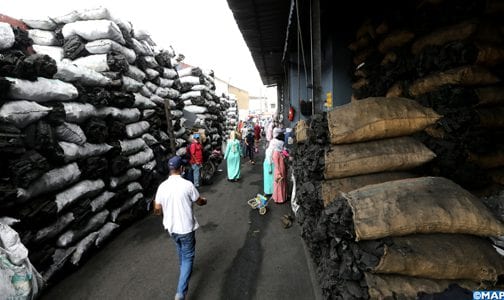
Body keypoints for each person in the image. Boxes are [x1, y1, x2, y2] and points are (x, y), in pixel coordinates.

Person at [154, 156, 207, 300]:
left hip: (171, 228)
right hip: (186, 228)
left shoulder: (162, 187)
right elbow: (199, 201)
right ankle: (180, 293)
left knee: (179, 248)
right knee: (188, 257)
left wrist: (164, 212)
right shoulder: (187, 185)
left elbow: (157, 209)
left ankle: (184, 269)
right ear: (182, 169)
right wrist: (204, 201)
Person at [272, 129, 287, 204]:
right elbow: (276, 165)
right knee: (279, 184)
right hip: (279, 171)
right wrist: (278, 173)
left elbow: (285, 153)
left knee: (282, 184)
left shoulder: (279, 151)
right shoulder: (276, 153)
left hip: (282, 169)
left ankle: (283, 198)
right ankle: (279, 199)